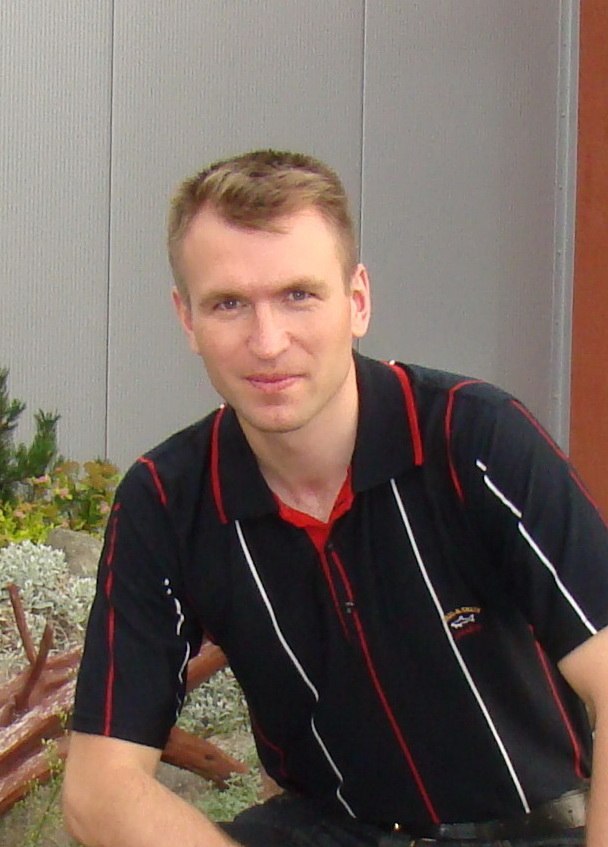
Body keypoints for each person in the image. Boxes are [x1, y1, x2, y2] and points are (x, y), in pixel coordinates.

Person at [62, 149, 608, 847]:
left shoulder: (472, 436)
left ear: (358, 301)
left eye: (298, 295)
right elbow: (100, 791)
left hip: (532, 828)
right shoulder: (167, 501)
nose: (268, 342)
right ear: (187, 319)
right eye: (229, 303)